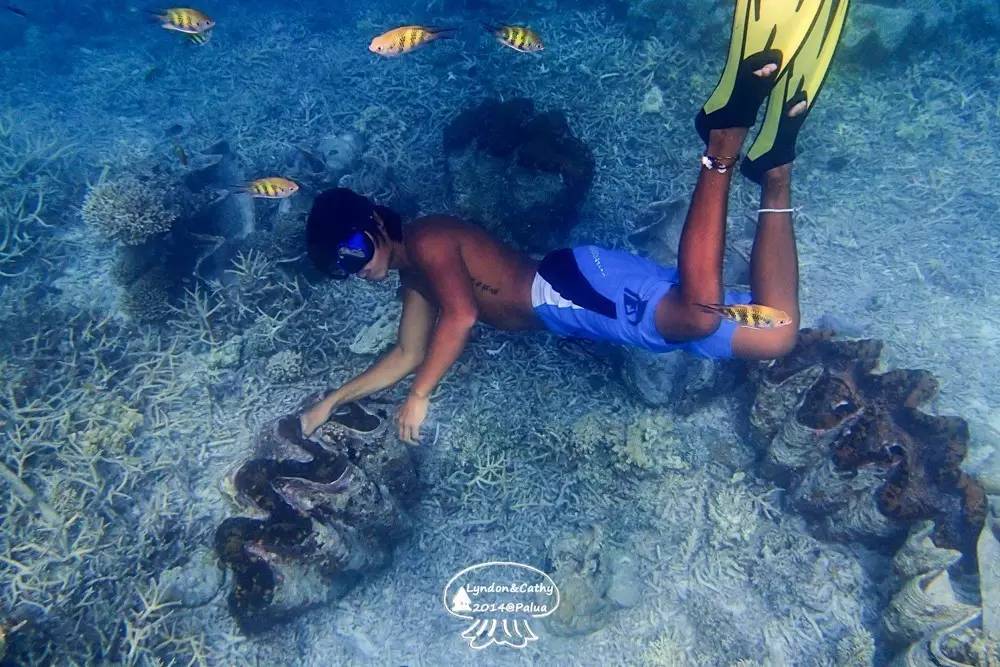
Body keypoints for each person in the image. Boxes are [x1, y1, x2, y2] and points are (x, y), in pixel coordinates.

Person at [299, 0, 850, 444]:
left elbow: (463, 314)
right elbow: (405, 354)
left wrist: (420, 395)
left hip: (566, 290)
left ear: (373, 221)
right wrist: (330, 402)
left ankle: (721, 141)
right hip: (579, 295)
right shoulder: (414, 275)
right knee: (775, 332)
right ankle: (775, 169)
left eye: (351, 249)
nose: (354, 267)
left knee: (697, 318)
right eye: (340, 269)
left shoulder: (428, 240)